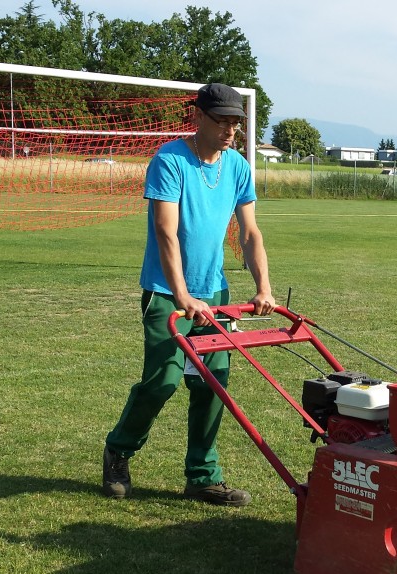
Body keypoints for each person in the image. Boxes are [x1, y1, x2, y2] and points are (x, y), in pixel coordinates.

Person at [102, 82, 275, 505]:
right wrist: (181, 293)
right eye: (222, 121)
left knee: (214, 383)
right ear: (197, 116)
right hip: (167, 291)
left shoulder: (236, 166)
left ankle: (202, 475)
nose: (231, 130)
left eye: (236, 122)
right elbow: (165, 230)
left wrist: (263, 286)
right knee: (163, 380)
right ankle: (119, 449)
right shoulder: (169, 160)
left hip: (215, 293)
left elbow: (249, 232)